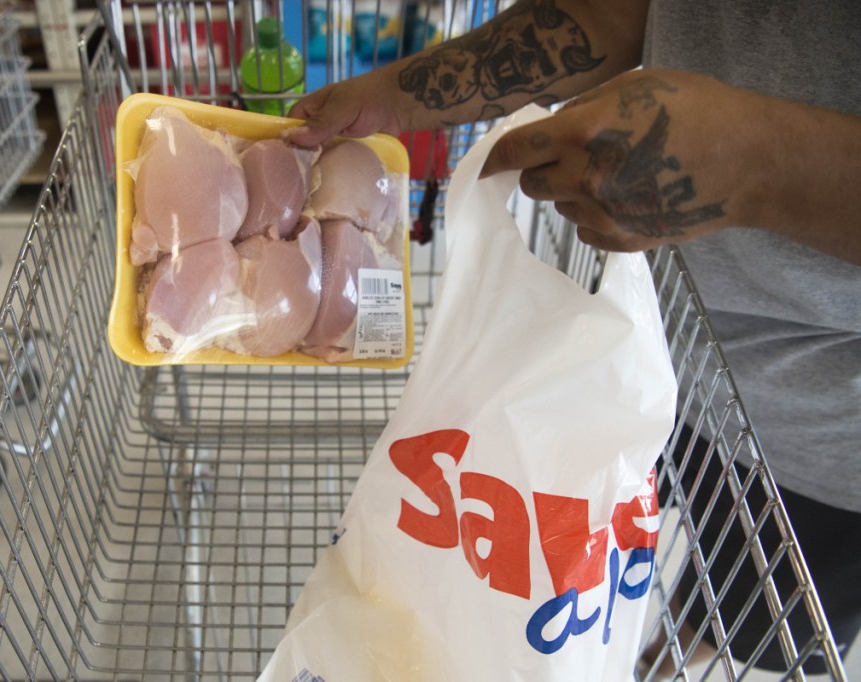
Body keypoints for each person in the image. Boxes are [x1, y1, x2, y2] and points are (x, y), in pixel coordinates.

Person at [288, 0, 861, 675]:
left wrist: (759, 162)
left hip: (819, 433)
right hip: (643, 349)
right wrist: (392, 99)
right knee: (592, 552)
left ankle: (659, 661)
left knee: (737, 613)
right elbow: (630, 15)